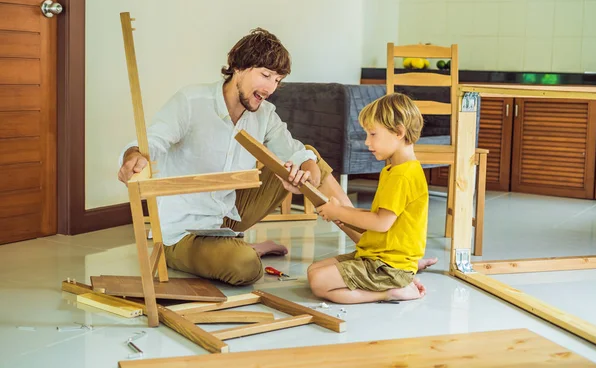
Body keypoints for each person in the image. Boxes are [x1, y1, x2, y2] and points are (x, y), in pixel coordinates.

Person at [118, 28, 354, 286]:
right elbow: (150, 143)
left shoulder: (264, 114)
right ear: (239, 67)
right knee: (246, 267)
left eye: (277, 80)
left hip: (229, 214)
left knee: (310, 157)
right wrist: (133, 157)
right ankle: (231, 251)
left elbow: (299, 153)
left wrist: (307, 172)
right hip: (184, 233)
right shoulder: (191, 101)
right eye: (265, 75)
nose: (271, 88)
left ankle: (364, 238)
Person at [308, 93, 430, 303]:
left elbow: (381, 223)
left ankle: (391, 291)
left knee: (319, 281)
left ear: (399, 132)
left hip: (389, 266)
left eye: (373, 134)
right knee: (313, 270)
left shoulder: (402, 175)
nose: (366, 142)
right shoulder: (396, 169)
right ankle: (398, 283)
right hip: (378, 257)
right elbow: (379, 215)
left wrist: (339, 212)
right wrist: (344, 214)